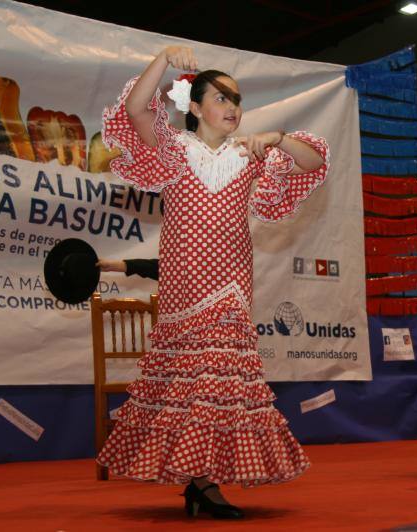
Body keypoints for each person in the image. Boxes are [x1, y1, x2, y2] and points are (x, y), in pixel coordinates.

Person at [95, 45, 329, 519]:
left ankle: (205, 483)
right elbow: (138, 109)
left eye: (236, 99)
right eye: (220, 97)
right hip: (186, 288)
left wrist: (278, 138)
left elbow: (311, 163)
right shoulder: (174, 151)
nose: (232, 106)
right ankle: (201, 484)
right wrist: (162, 59)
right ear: (194, 106)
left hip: (232, 287)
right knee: (194, 385)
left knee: (219, 385)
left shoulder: (250, 154)